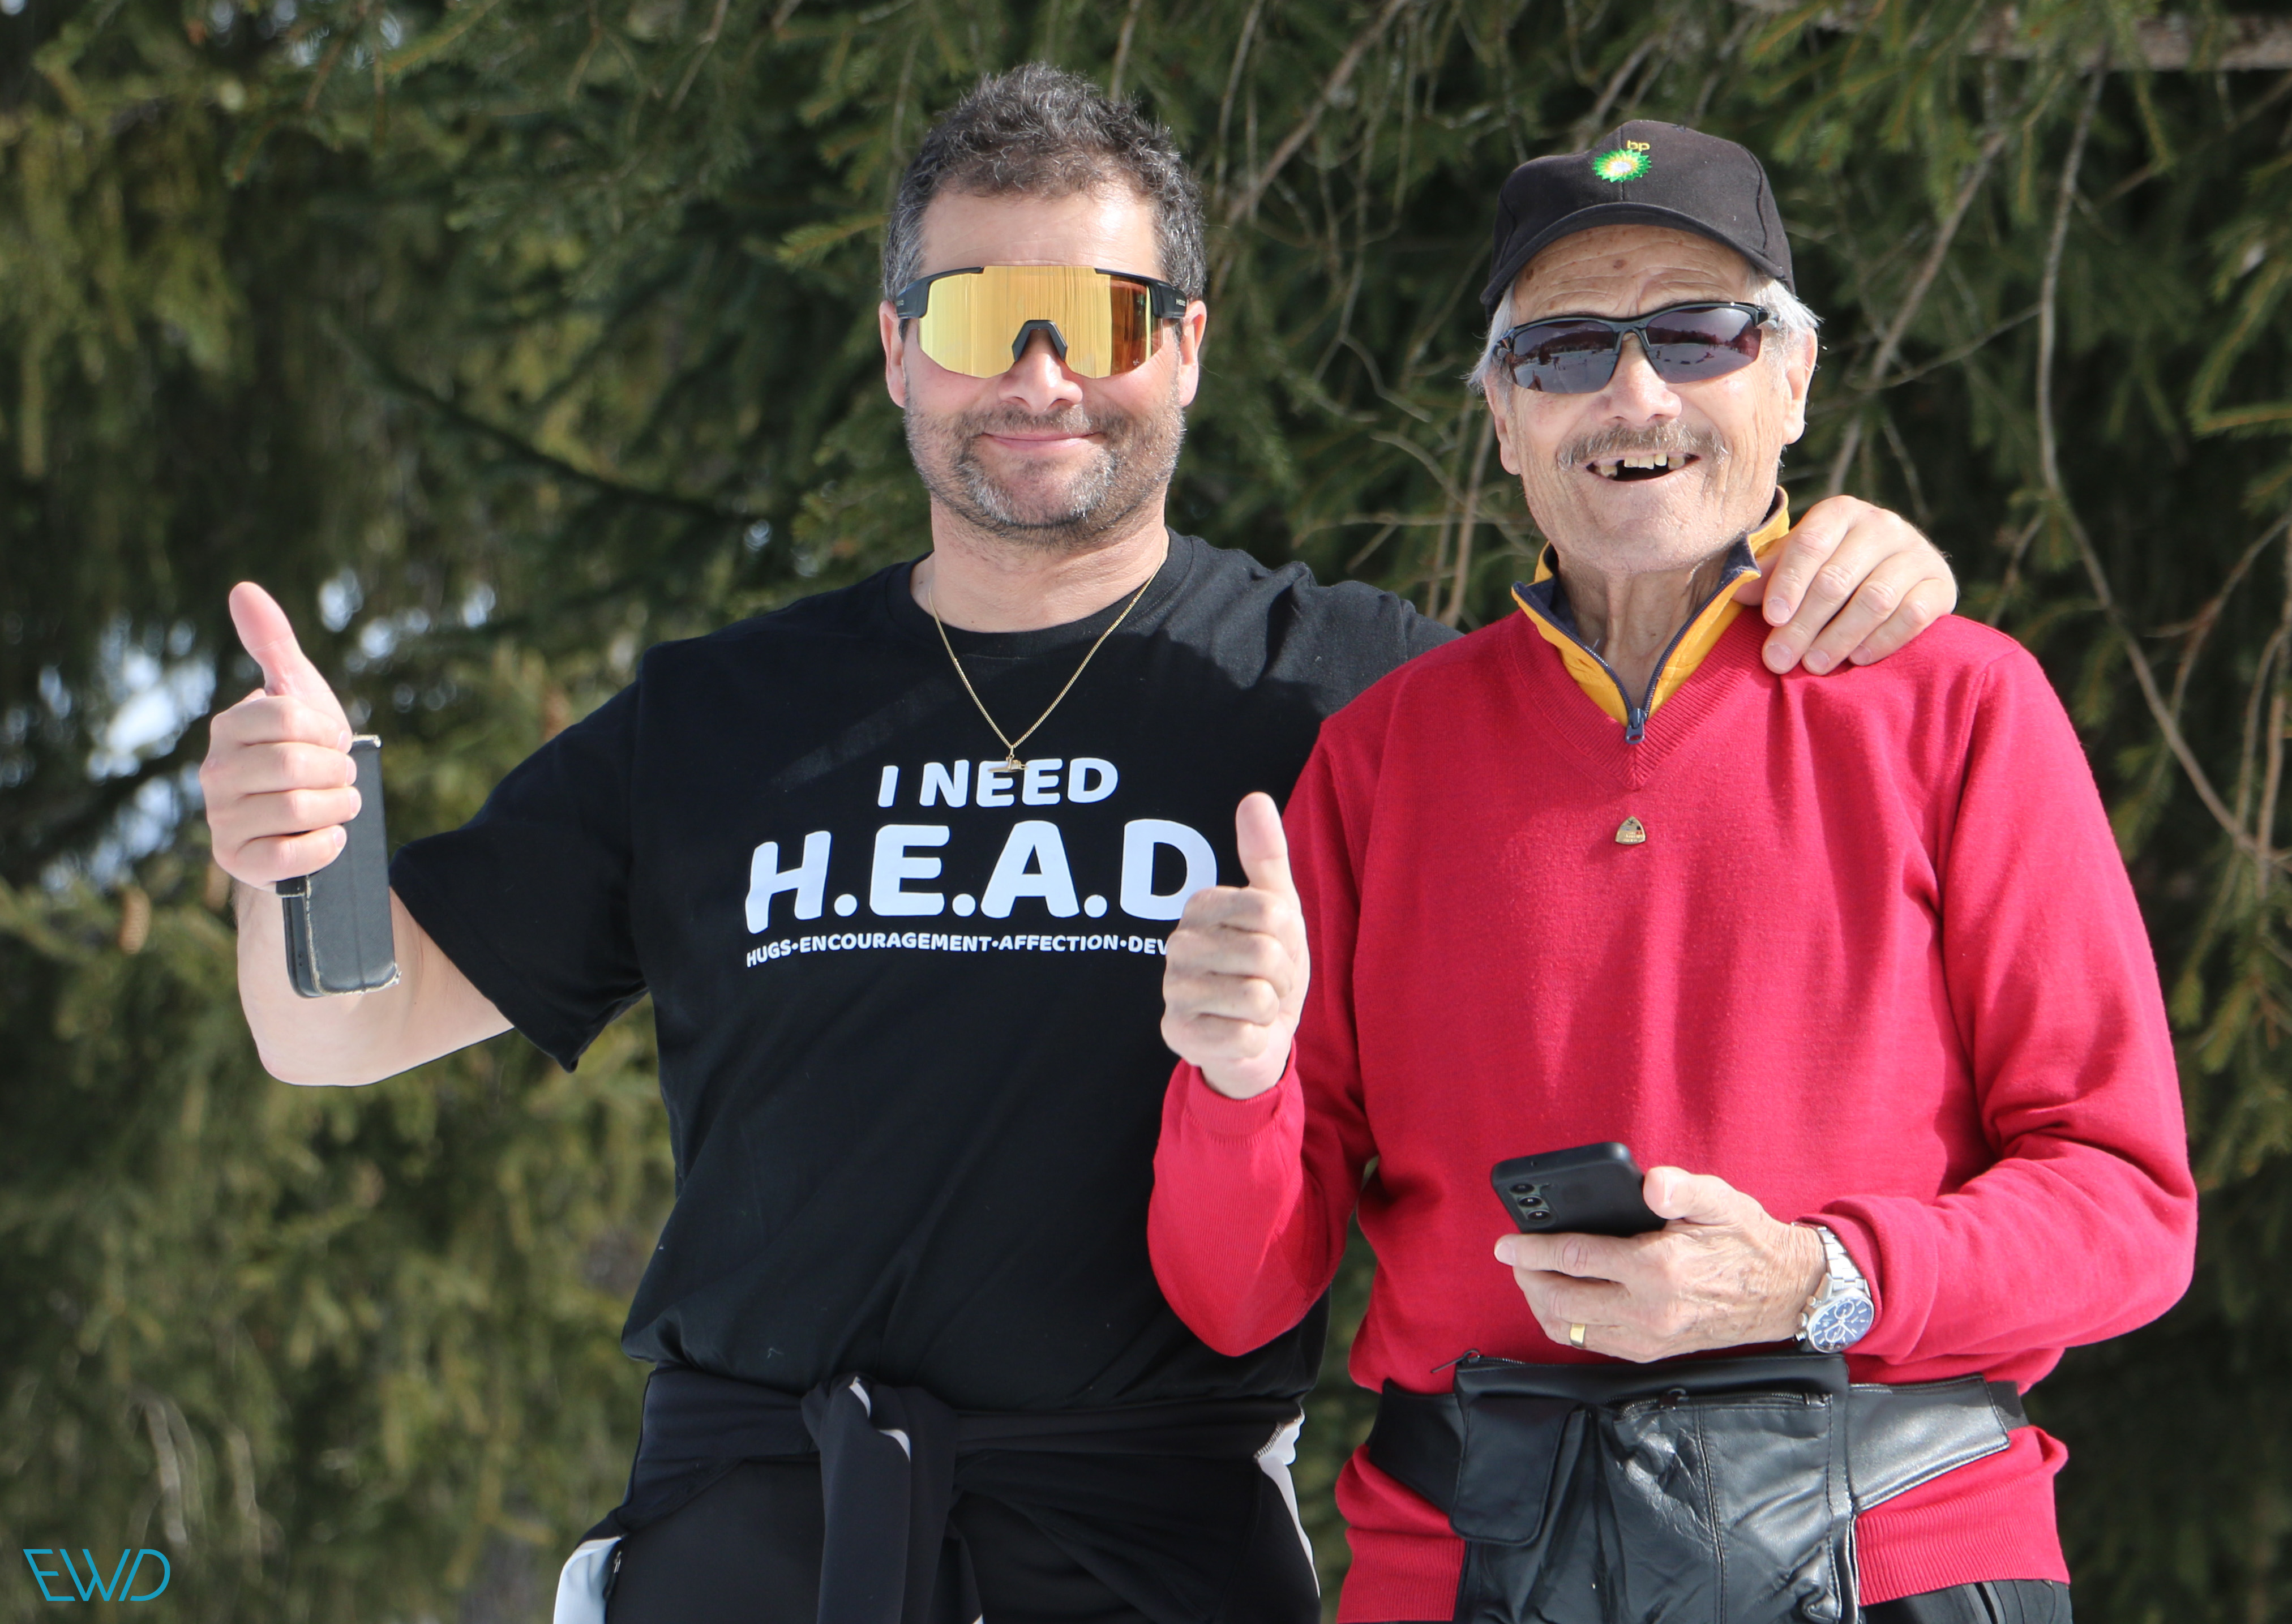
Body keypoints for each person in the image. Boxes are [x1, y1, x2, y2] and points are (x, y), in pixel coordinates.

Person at [199, 74, 1959, 1624]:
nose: (1039, 374)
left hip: (1157, 1549)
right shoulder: (722, 716)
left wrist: (1828, 561)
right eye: (978, 313)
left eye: (1101, 316)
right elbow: (339, 1023)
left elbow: (1647, 745)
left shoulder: (1353, 695)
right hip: (754, 1541)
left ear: (1183, 345)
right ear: (898, 349)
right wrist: (300, 850)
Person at [1151, 121, 2197, 1624]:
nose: (1633, 393)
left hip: (1889, 1556)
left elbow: (2125, 1208)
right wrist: (1235, 1085)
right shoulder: (1382, 756)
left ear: (1793, 381)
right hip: (1470, 1567)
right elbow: (1234, 1293)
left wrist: (1817, 1278)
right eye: (1565, 349)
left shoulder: (1959, 702)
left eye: (1700, 336)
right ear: (1503, 417)